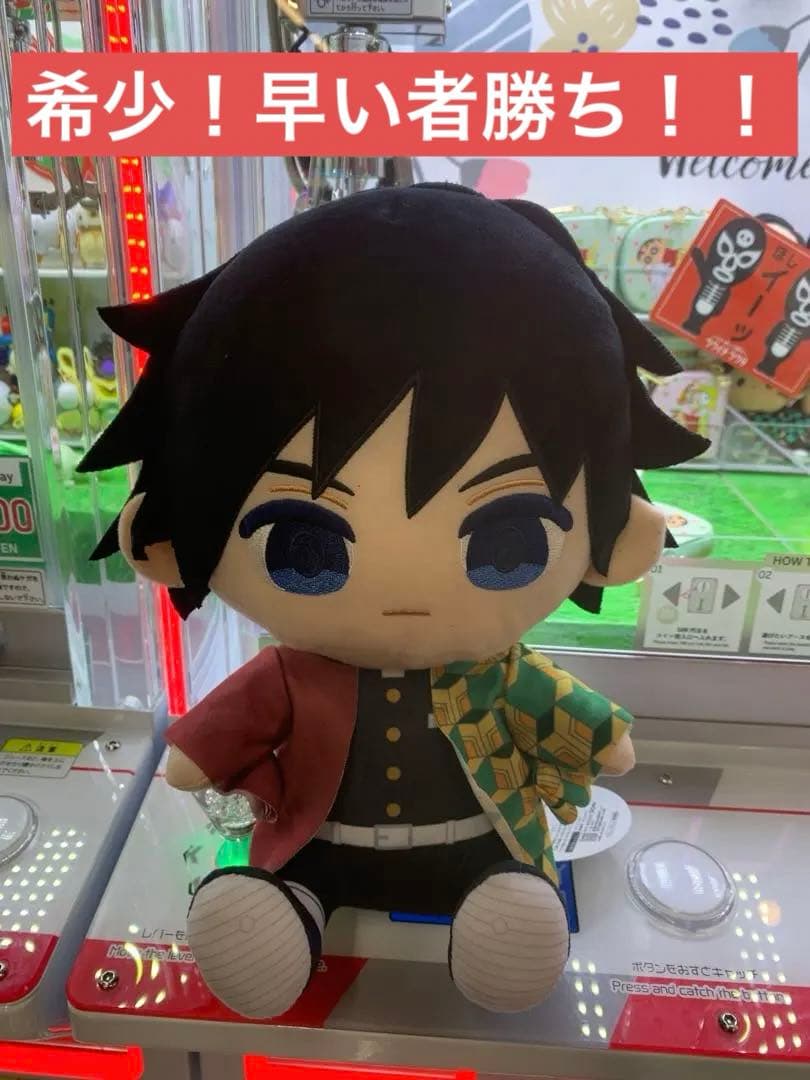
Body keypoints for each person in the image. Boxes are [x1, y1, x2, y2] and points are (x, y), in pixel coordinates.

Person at [79, 184, 708, 1020]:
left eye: (507, 541)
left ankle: (499, 910)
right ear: (166, 539)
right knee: (281, 888)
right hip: (316, 844)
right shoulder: (291, 678)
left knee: (505, 894)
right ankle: (285, 910)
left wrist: (605, 739)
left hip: (477, 846)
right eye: (305, 547)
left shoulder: (498, 675)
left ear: (616, 537)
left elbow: (586, 728)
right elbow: (200, 754)